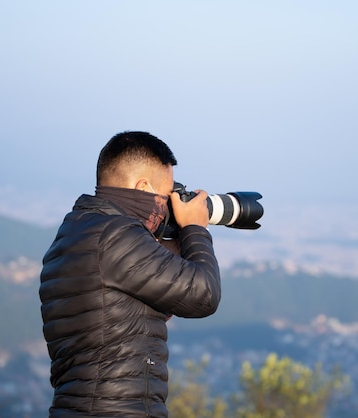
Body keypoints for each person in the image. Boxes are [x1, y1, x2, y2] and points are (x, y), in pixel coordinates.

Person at [39, 131, 221, 418]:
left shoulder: (77, 233)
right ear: (143, 187)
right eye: (165, 197)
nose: (165, 208)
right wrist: (195, 229)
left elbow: (151, 304)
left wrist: (170, 238)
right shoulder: (115, 235)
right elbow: (203, 294)